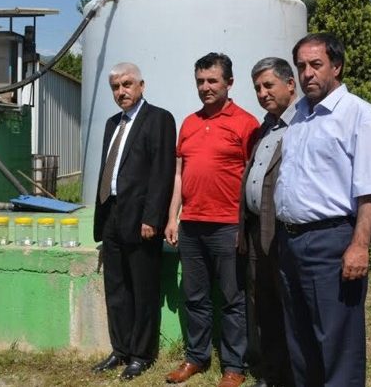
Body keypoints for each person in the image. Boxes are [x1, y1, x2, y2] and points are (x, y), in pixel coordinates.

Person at [274, 32, 371, 386]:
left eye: (316, 64)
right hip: (290, 242)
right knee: (300, 340)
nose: (307, 73)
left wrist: (360, 245)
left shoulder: (360, 116)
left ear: (336, 66)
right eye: (301, 66)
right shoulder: (298, 117)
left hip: (331, 242)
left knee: (337, 344)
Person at [165, 53, 259, 387]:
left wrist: (245, 226)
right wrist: (173, 217)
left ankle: (234, 366)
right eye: (200, 81)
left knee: (232, 300)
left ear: (229, 83)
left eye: (212, 81)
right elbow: (179, 173)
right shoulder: (189, 123)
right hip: (191, 224)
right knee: (195, 297)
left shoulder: (246, 123)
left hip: (228, 225)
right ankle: (196, 357)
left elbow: (253, 176)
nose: (205, 87)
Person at [91, 63, 177, 380]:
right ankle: (120, 349)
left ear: (141, 85)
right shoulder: (112, 123)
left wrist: (153, 217)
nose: (121, 91)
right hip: (111, 214)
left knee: (143, 289)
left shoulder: (159, 119)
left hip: (141, 219)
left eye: (127, 84)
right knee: (116, 288)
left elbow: (162, 171)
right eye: (115, 87)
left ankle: (141, 355)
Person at [237, 57, 297, 387]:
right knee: (265, 305)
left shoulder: (303, 124)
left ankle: (291, 373)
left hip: (284, 232)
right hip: (256, 229)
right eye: (258, 88)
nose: (262, 93)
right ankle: (271, 372)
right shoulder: (267, 127)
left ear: (290, 84)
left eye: (268, 85)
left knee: (289, 304)